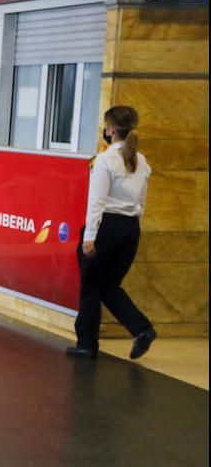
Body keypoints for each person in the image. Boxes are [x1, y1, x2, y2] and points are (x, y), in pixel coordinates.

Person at [67, 105, 157, 361]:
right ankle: (142, 329)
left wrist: (90, 237)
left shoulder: (105, 160)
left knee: (90, 287)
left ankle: (86, 343)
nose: (105, 131)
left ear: (112, 130)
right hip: (130, 229)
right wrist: (132, 226)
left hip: (106, 228)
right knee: (108, 286)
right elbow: (142, 202)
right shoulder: (142, 161)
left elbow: (97, 201)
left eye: (107, 127)